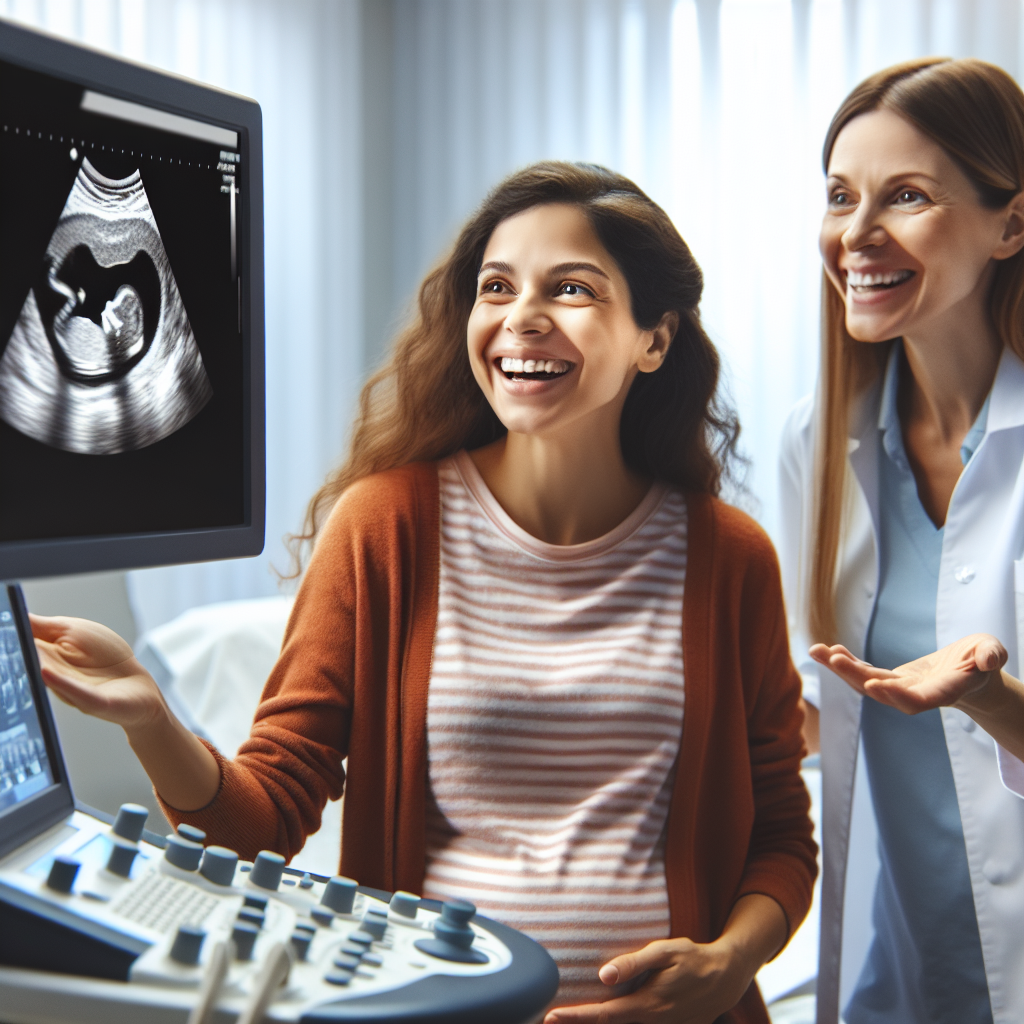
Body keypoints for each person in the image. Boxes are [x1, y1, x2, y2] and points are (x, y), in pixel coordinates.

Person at [34, 162, 815, 1023]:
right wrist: (152, 719)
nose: (522, 318)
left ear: (653, 339)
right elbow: (262, 820)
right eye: (497, 286)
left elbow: (780, 834)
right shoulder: (385, 527)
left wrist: (725, 963)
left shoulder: (730, 557)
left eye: (572, 289)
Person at [779, 58, 1024, 1024]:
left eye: (907, 196)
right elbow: (816, 711)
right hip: (904, 980)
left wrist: (986, 698)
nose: (857, 234)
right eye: (841, 196)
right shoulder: (822, 441)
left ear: (1012, 223)